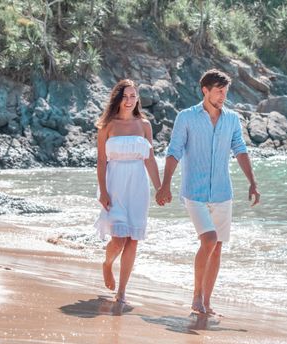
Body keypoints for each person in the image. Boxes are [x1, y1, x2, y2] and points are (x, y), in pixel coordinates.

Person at [156, 69, 260, 314]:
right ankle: (196, 296)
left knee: (218, 246)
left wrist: (253, 182)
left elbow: (240, 150)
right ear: (205, 90)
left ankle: (207, 302)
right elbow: (174, 151)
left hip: (223, 192)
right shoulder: (186, 117)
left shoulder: (232, 119)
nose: (223, 96)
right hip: (195, 192)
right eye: (218, 91)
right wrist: (165, 184)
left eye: (225, 91)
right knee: (209, 240)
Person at [95, 79, 161, 303]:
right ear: (118, 98)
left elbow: (150, 159)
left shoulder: (144, 125)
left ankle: (122, 292)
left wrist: (160, 188)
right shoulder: (107, 125)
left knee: (133, 239)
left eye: (133, 96)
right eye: (125, 96)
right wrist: (103, 192)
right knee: (119, 239)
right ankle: (107, 263)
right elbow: (102, 161)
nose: (129, 101)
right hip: (114, 184)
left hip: (138, 185)